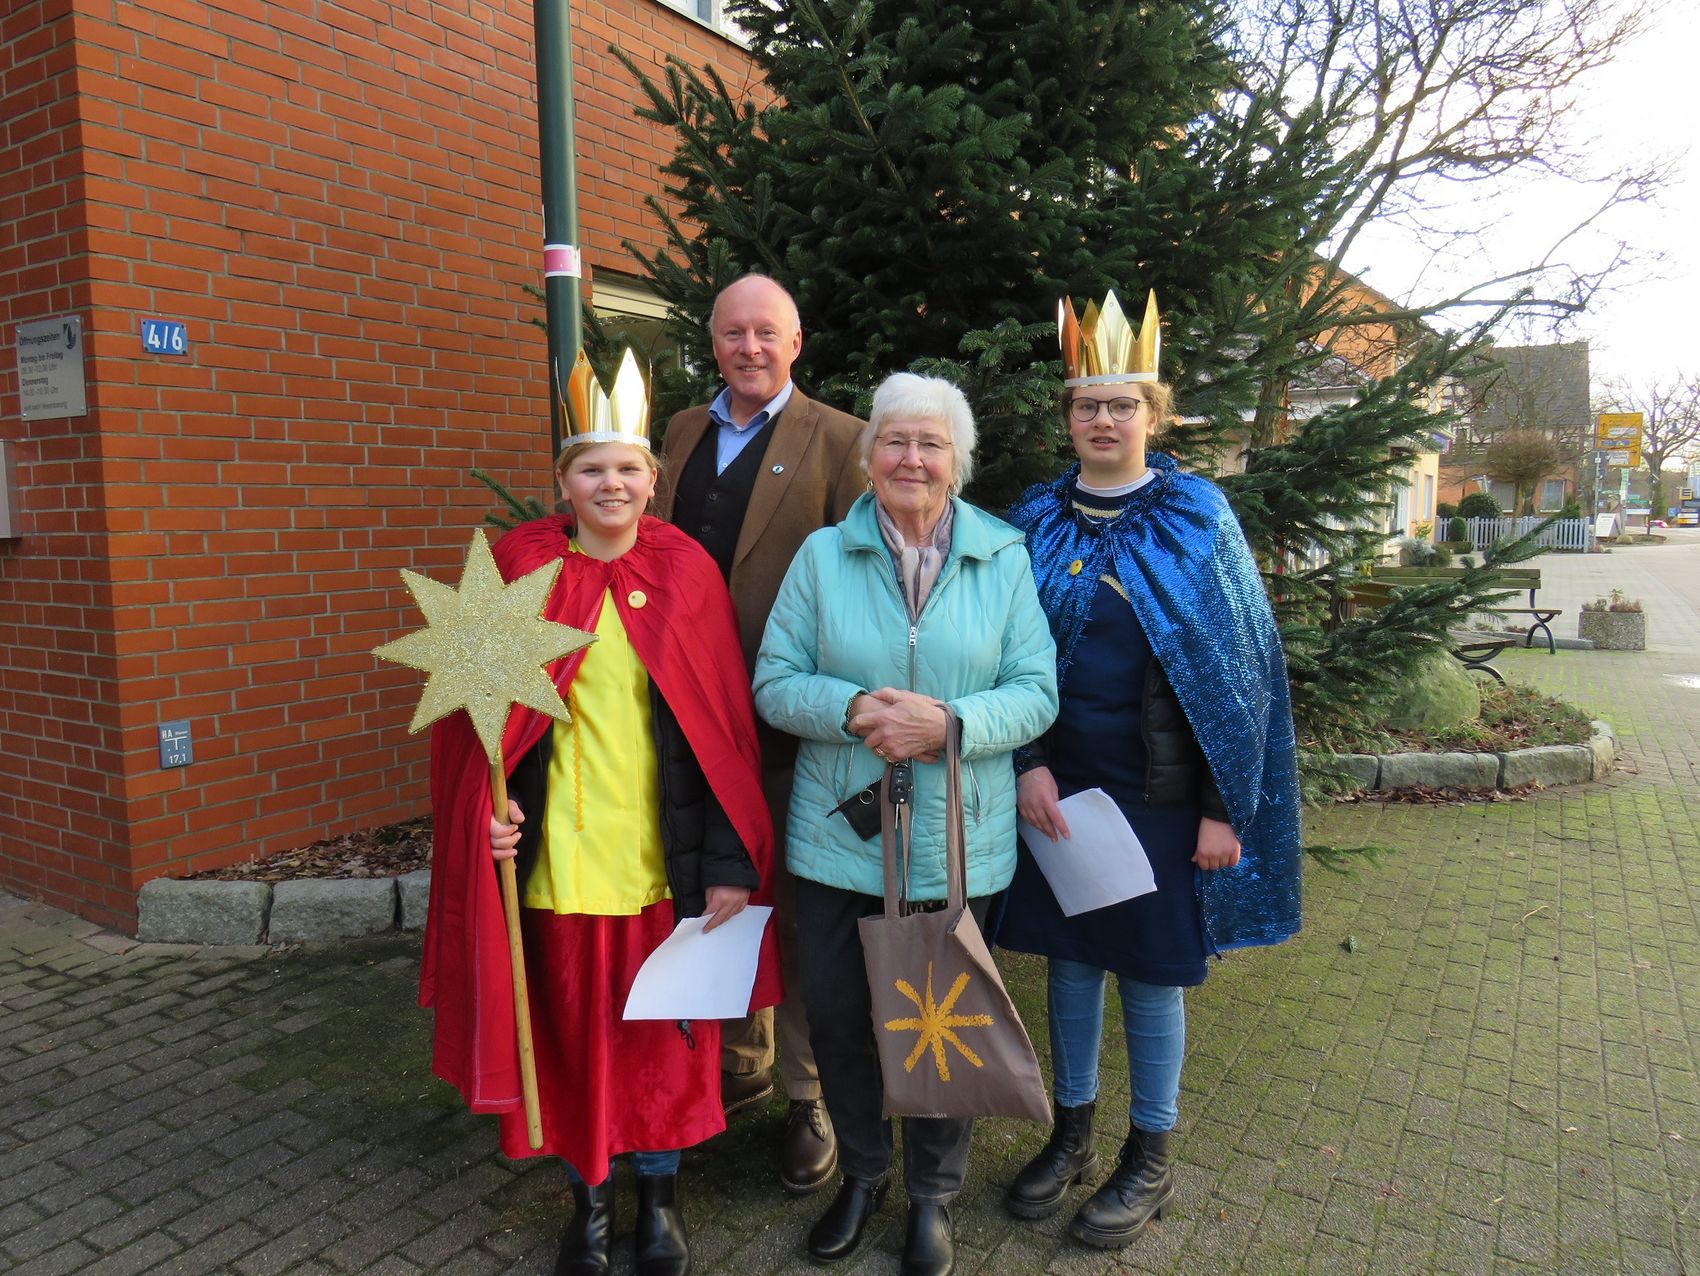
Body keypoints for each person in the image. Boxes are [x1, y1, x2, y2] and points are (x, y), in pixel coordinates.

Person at [420, 352, 782, 1276]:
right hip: (554, 861)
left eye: (627, 468)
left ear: (652, 480)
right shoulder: (521, 570)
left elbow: (721, 737)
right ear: (563, 483)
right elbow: (478, 729)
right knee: (572, 1032)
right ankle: (586, 1197)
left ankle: (657, 1203)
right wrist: (486, 819)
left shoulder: (687, 573)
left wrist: (732, 861)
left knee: (659, 1041)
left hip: (657, 861)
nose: (611, 484)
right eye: (591, 469)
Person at [995, 291, 1302, 1249]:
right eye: (1086, 404)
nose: (1102, 420)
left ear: (1152, 415)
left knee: (1152, 976)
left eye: (1121, 405)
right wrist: (1027, 766)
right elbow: (998, 654)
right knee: (1074, 964)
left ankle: (1150, 1155)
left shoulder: (1198, 517)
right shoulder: (1035, 518)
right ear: (1068, 417)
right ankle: (1074, 1134)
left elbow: (1238, 670)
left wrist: (1224, 810)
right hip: (1062, 789)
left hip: (1165, 798)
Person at [753, 372, 1059, 1275]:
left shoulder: (1003, 556)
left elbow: (1037, 691)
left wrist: (950, 725)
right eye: (894, 441)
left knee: (943, 1025)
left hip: (954, 841)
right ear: (869, 453)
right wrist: (853, 709)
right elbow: (774, 682)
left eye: (930, 444)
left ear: (957, 461)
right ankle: (864, 1173)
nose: (911, 459)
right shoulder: (821, 557)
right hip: (839, 842)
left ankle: (933, 1198)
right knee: (845, 1022)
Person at [652, 273, 865, 1195]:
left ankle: (808, 1096)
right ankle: (739, 1058)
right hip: (685, 717)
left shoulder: (842, 439)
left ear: (797, 341)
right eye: (733, 334)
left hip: (783, 724)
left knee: (802, 909)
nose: (749, 348)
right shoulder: (680, 434)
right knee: (714, 891)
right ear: (714, 341)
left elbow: (855, 589)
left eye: (765, 333)